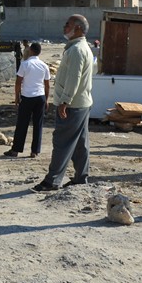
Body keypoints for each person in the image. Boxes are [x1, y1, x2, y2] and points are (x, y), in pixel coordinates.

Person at [33, 15, 94, 192]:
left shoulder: (76, 50)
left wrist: (65, 101)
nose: (64, 27)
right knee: (80, 143)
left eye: (68, 25)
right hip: (81, 103)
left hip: (73, 105)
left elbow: (73, 79)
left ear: (78, 29)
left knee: (62, 142)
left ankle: (52, 181)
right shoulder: (79, 47)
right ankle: (81, 178)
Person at [3, 42, 50, 159]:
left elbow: (18, 82)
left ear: (31, 51)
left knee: (22, 124)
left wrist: (16, 97)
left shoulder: (25, 64)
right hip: (40, 97)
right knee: (38, 124)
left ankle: (16, 150)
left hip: (27, 97)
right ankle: (35, 151)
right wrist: (47, 100)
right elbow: (47, 85)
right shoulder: (44, 65)